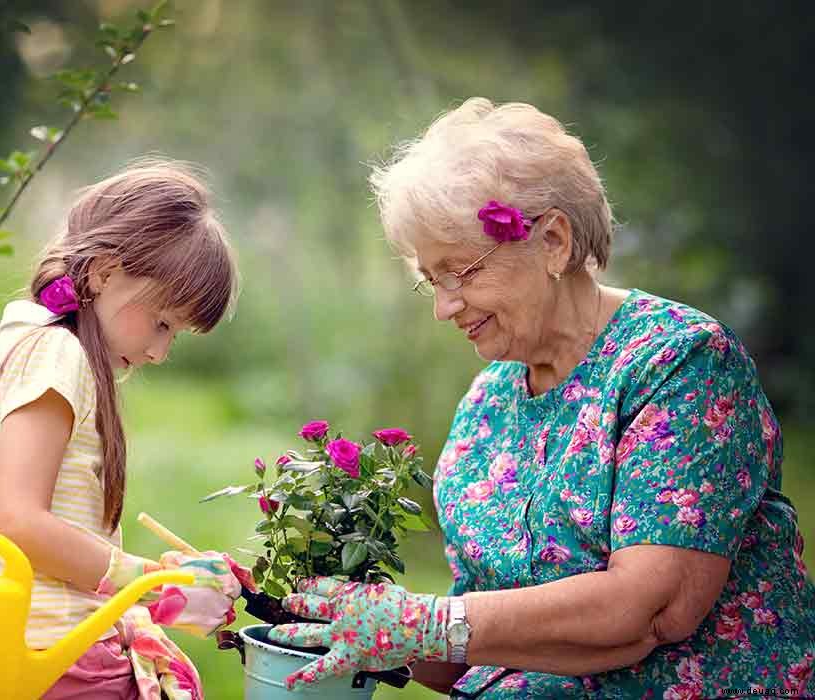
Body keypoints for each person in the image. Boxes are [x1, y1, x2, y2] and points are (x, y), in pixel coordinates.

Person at [269, 99, 815, 697]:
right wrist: (330, 619)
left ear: (552, 241)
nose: (443, 307)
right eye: (432, 280)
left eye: (463, 272)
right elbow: (468, 644)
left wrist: (423, 623)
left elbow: (650, 608)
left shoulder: (679, 362)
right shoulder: (485, 406)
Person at [0, 158, 253, 700]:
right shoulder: (55, 353)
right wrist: (148, 584)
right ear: (103, 273)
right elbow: (18, 521)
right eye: (162, 322)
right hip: (41, 643)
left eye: (174, 335)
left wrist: (160, 576)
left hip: (40, 630)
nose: (159, 351)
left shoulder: (54, 351)